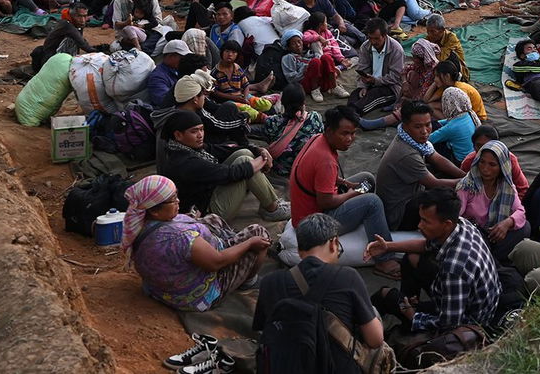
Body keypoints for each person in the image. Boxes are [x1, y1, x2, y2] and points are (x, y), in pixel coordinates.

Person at [363, 188, 501, 337]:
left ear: (446, 224)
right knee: (411, 258)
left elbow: (450, 325)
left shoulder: (454, 269)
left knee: (385, 295)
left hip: (469, 324)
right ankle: (408, 301)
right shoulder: (461, 224)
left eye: (425, 221)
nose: (419, 226)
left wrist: (413, 316)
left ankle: (371, 330)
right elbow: (426, 246)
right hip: (468, 300)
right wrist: (387, 247)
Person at [123, 174, 271, 312]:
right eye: (173, 199)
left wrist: (193, 219)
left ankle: (229, 242)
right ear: (155, 211)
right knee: (258, 232)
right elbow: (217, 262)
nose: (178, 201)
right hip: (196, 295)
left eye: (176, 196)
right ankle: (248, 281)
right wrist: (250, 243)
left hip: (162, 288)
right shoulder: (180, 238)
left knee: (212, 219)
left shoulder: (138, 225)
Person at [288, 106, 402, 278]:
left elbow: (314, 178)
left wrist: (342, 182)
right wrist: (352, 193)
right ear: (330, 131)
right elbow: (325, 202)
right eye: (344, 133)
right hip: (313, 224)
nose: (350, 139)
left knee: (367, 178)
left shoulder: (317, 139)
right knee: (372, 201)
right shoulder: (325, 160)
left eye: (353, 133)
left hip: (313, 210)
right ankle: (384, 260)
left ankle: (371, 220)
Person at [252, 212, 386, 353]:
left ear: (299, 250)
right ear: (334, 243)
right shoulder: (348, 278)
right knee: (372, 313)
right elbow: (375, 340)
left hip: (284, 365)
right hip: (335, 366)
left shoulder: (269, 282)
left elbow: (264, 331)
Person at [158, 109, 291, 223]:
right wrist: (263, 159)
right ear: (178, 135)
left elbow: (222, 150)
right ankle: (272, 209)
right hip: (207, 212)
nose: (200, 135)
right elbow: (230, 173)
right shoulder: (183, 161)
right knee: (244, 162)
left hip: (210, 193)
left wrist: (257, 150)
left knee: (243, 152)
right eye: (194, 131)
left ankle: (268, 202)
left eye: (202, 130)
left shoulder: (188, 147)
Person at [375, 102, 466, 231]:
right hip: (399, 214)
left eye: (428, 125)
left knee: (446, 174)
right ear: (405, 126)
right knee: (445, 199)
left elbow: (437, 159)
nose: (424, 131)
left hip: (412, 193)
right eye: (418, 126)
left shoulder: (412, 139)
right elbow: (434, 183)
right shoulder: (406, 154)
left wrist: (465, 175)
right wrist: (468, 181)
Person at [456, 139, 529, 261]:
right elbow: (456, 216)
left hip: (495, 235)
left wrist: (506, 224)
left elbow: (520, 211)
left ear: (501, 166)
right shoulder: (467, 185)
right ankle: (490, 261)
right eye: (482, 162)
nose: (485, 169)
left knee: (525, 227)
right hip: (473, 235)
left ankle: (491, 259)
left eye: (492, 164)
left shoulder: (506, 187)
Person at [350, 19, 405, 115]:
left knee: (366, 103)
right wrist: (363, 86)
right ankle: (347, 114)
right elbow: (362, 69)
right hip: (370, 84)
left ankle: (351, 116)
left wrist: (376, 81)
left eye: (376, 38)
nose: (373, 42)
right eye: (370, 38)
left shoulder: (396, 49)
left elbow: (395, 77)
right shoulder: (365, 47)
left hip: (390, 87)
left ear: (384, 35)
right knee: (354, 96)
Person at [459, 125, 529, 199]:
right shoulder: (469, 161)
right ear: (473, 146)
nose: (483, 150)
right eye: (479, 146)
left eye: (488, 145)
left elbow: (523, 189)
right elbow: (462, 187)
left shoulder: (510, 160)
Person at [31, 1, 98, 71]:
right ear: (71, 15)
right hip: (51, 60)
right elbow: (83, 44)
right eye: (79, 16)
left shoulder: (76, 23)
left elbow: (80, 40)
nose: (82, 20)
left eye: (85, 16)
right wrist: (100, 54)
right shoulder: (66, 25)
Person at [429, 86, 481, 163]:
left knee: (433, 146)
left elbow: (430, 139)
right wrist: (435, 123)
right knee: (434, 124)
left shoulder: (451, 128)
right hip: (473, 155)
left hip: (460, 161)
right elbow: (449, 121)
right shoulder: (469, 114)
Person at [424, 13, 469, 80]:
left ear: (442, 30)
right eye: (428, 31)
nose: (430, 34)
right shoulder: (429, 38)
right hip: (438, 69)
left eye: (433, 32)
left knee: (451, 56)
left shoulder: (451, 38)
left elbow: (441, 58)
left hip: (455, 70)